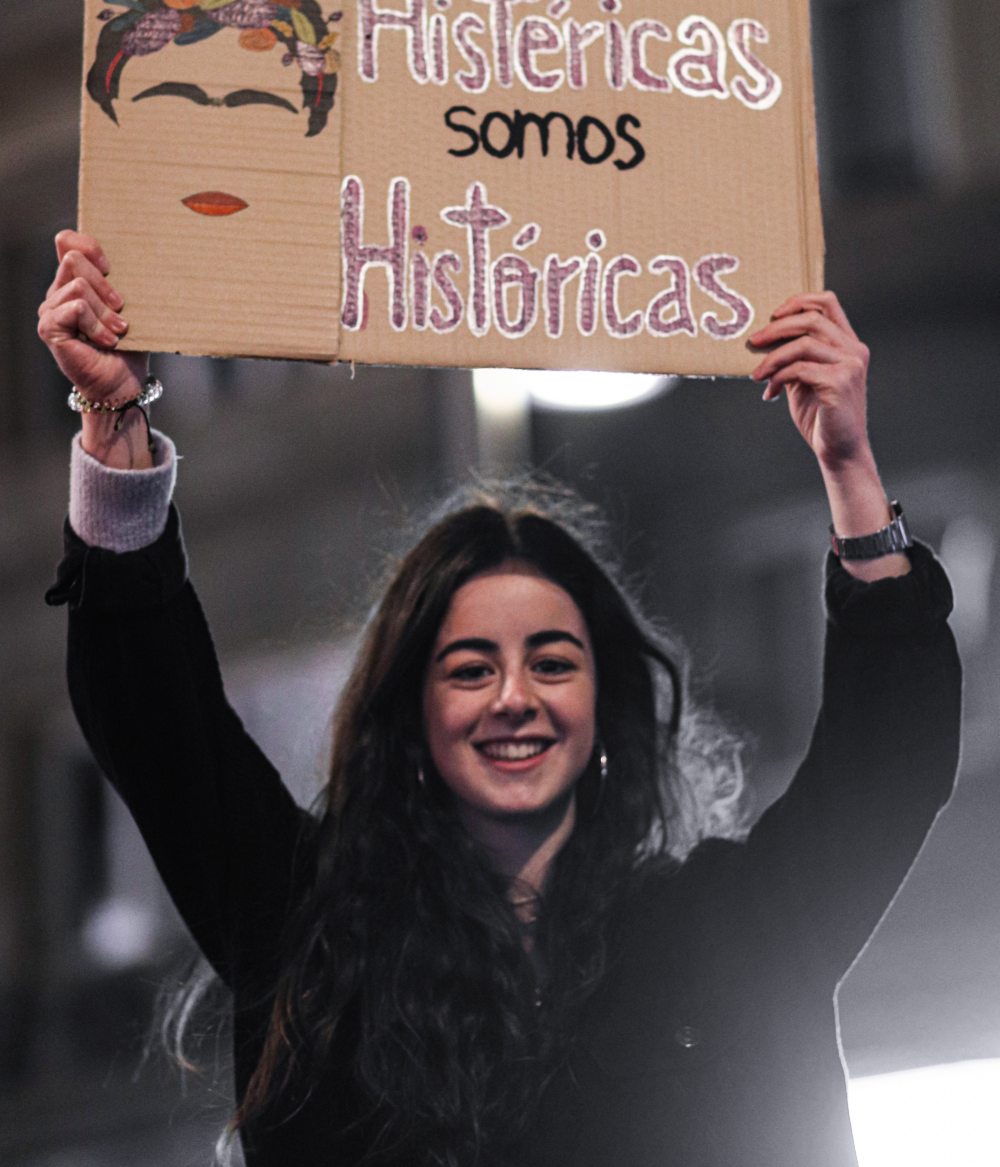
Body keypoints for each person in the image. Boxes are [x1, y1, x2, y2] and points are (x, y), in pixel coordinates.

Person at [39, 229, 961, 1167]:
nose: (514, 697)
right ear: (411, 715)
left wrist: (849, 468)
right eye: (470, 669)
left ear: (606, 705)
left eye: (553, 663)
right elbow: (157, 724)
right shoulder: (308, 934)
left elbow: (888, 763)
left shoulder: (733, 930)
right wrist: (115, 426)